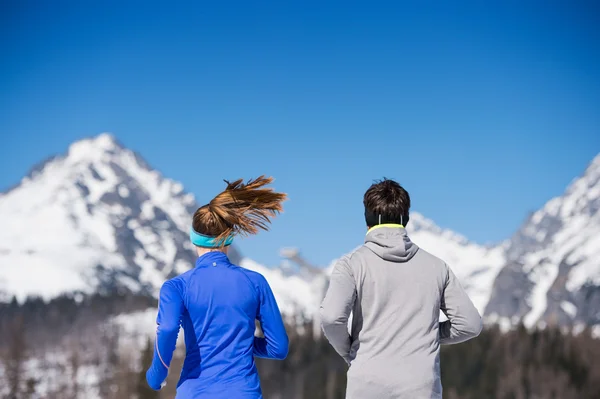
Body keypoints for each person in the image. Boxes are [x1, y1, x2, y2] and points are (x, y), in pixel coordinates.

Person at [319, 178, 482, 399]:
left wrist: (350, 351)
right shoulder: (437, 267)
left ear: (367, 219)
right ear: (405, 218)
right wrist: (428, 333)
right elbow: (470, 324)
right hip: (421, 386)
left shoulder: (351, 264)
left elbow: (331, 318)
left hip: (366, 383)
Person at [146, 176, 289, 398]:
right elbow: (278, 348)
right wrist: (240, 342)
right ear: (229, 238)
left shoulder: (176, 287)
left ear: (194, 239)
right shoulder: (255, 282)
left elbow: (167, 329)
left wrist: (155, 377)